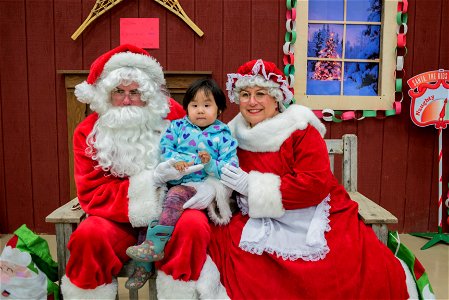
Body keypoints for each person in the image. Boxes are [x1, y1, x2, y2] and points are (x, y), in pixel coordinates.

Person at [154, 59, 418, 299]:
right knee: (232, 256)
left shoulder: (299, 129)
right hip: (256, 218)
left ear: (277, 98)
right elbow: (211, 170)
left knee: (337, 271)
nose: (252, 102)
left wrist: (252, 187)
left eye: (260, 94)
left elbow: (315, 184)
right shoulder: (228, 133)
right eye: (245, 95)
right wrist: (213, 189)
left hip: (310, 214)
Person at [60, 44, 210, 298]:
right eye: (119, 91)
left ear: (149, 94)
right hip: (116, 219)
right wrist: (149, 184)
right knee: (89, 236)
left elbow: (203, 158)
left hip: (173, 213)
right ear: (106, 95)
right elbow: (93, 192)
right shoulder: (89, 133)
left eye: (136, 91)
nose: (127, 99)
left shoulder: (174, 117)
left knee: (194, 226)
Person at [124, 78, 239, 289]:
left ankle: (156, 244)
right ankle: (143, 266)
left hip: (199, 187)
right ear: (186, 108)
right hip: (172, 180)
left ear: (219, 109)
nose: (200, 110)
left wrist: (210, 163)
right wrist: (175, 161)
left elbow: (230, 165)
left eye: (207, 105)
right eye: (194, 105)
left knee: (176, 195)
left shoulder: (224, 135)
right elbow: (165, 149)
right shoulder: (177, 127)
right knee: (151, 212)